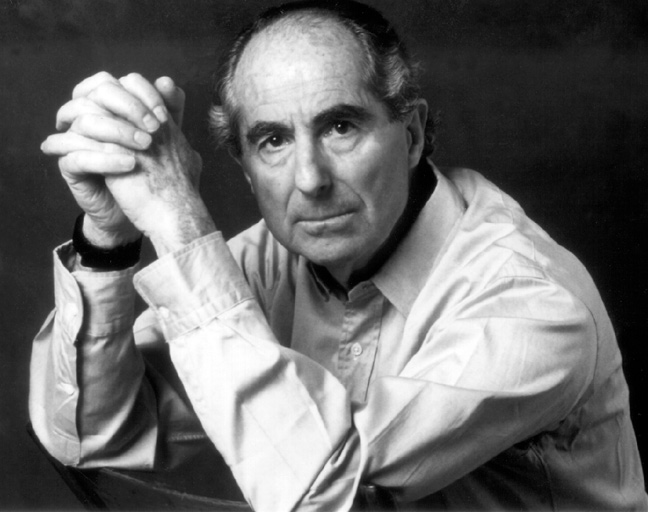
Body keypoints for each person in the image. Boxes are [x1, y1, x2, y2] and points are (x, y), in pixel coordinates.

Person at [30, 1, 646, 510]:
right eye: (273, 140)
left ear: (411, 135)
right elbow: (88, 433)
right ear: (245, 169)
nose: (310, 179)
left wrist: (181, 227)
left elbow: (326, 494)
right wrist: (108, 240)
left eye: (340, 127)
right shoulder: (269, 261)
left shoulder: (532, 300)